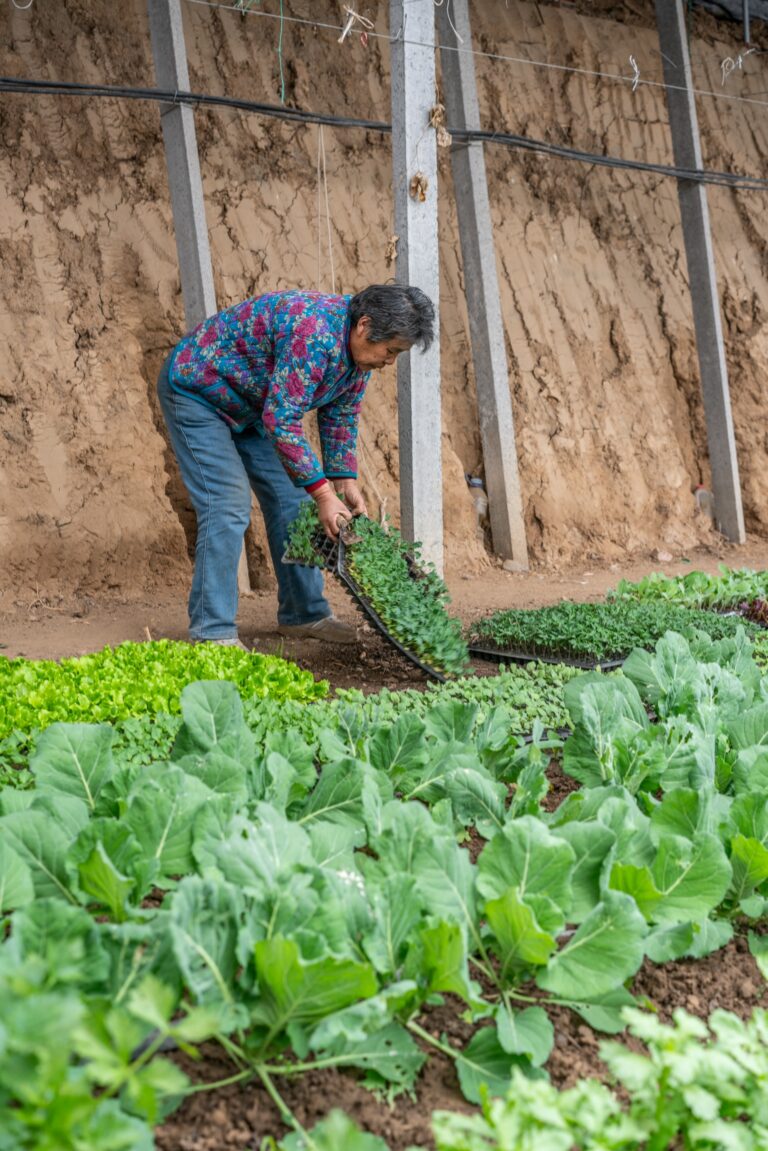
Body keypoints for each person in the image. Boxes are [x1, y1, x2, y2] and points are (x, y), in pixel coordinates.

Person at [157, 283, 435, 650]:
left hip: (252, 405)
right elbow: (282, 419)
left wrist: (342, 479)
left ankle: (304, 614)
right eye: (392, 350)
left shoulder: (358, 356)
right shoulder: (315, 334)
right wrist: (322, 493)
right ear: (364, 326)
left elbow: (341, 412)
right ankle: (212, 631)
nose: (390, 361)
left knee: (293, 502)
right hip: (199, 392)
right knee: (226, 504)